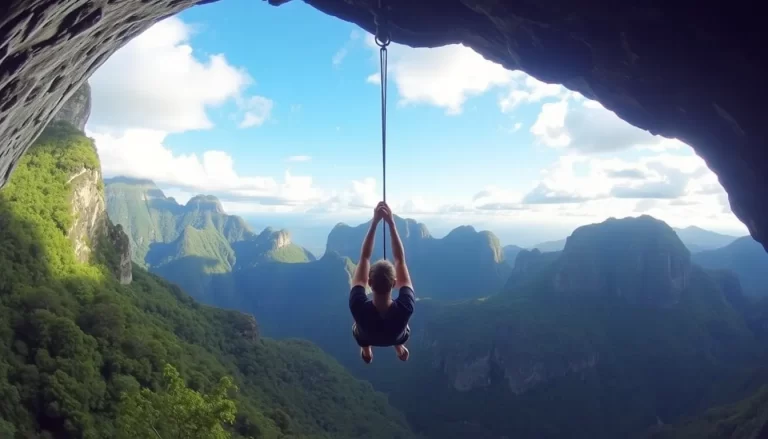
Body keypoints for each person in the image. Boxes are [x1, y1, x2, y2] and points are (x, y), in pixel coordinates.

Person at [349, 201, 414, 364]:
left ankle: (366, 350)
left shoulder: (357, 304)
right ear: (394, 284)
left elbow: (364, 258)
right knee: (402, 329)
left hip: (367, 334)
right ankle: (399, 346)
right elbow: (400, 260)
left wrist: (375, 223)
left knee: (357, 326)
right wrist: (391, 223)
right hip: (396, 333)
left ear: (369, 283)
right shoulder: (406, 306)